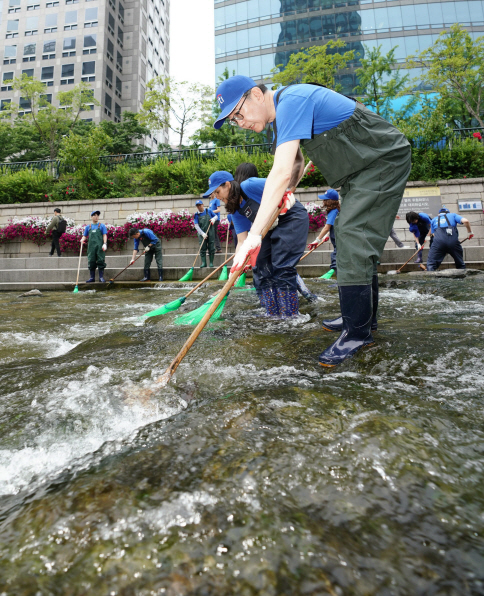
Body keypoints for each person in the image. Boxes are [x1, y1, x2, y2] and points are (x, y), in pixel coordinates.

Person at [212, 75, 411, 366]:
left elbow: (278, 173)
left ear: (256, 94)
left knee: (355, 234)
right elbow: (294, 163)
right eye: (233, 120)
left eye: (238, 114)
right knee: (344, 234)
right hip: (357, 175)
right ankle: (359, 317)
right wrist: (287, 194)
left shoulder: (292, 101)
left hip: (381, 161)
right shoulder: (282, 118)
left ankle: (358, 333)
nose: (240, 123)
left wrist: (254, 236)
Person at [204, 169, 309, 318]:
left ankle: (290, 315)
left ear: (227, 185)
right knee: (261, 267)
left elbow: (280, 183)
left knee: (282, 267)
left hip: (290, 217)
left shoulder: (249, 186)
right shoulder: (236, 211)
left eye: (217, 192)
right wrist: (236, 267)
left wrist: (285, 196)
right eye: (214, 195)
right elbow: (242, 241)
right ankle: (272, 313)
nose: (217, 197)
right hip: (269, 227)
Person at [426, 207, 474, 271]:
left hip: (438, 243)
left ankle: (431, 276)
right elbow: (466, 221)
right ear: (448, 213)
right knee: (460, 263)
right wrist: (469, 232)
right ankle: (462, 275)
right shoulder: (453, 215)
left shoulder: (434, 219)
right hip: (453, 243)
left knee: (431, 264)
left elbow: (434, 234)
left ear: (439, 214)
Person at [80, 210, 107, 283]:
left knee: (101, 260)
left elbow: (104, 235)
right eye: (94, 215)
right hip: (91, 247)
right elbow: (85, 236)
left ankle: (101, 277)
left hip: (100, 247)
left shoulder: (102, 226)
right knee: (91, 261)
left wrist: (105, 243)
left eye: (97, 215)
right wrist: (82, 240)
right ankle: (92, 277)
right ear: (91, 217)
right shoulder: (88, 227)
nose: (96, 217)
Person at [193, 199, 217, 268]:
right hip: (202, 233)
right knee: (202, 247)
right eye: (197, 206)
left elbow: (216, 216)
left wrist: (213, 219)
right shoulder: (196, 215)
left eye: (200, 205)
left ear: (203, 205)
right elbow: (196, 225)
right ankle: (204, 263)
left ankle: (211, 263)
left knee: (211, 247)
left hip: (210, 231)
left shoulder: (208, 211)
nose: (199, 207)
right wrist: (202, 233)